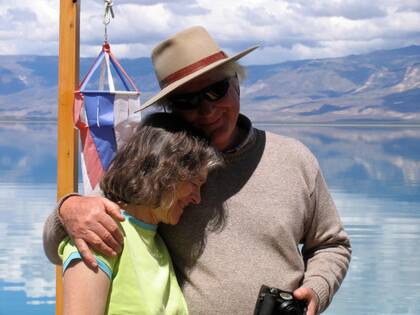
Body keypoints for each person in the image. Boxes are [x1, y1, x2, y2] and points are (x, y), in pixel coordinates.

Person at [44, 26, 351, 314]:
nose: (206, 110)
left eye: (216, 90)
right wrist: (68, 208)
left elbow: (331, 244)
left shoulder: (295, 159)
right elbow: (77, 233)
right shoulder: (157, 169)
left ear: (236, 84)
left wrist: (318, 288)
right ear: (171, 109)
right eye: (186, 100)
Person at [59, 112, 222, 314]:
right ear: (164, 172)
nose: (197, 198)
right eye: (194, 183)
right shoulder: (99, 232)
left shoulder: (156, 242)